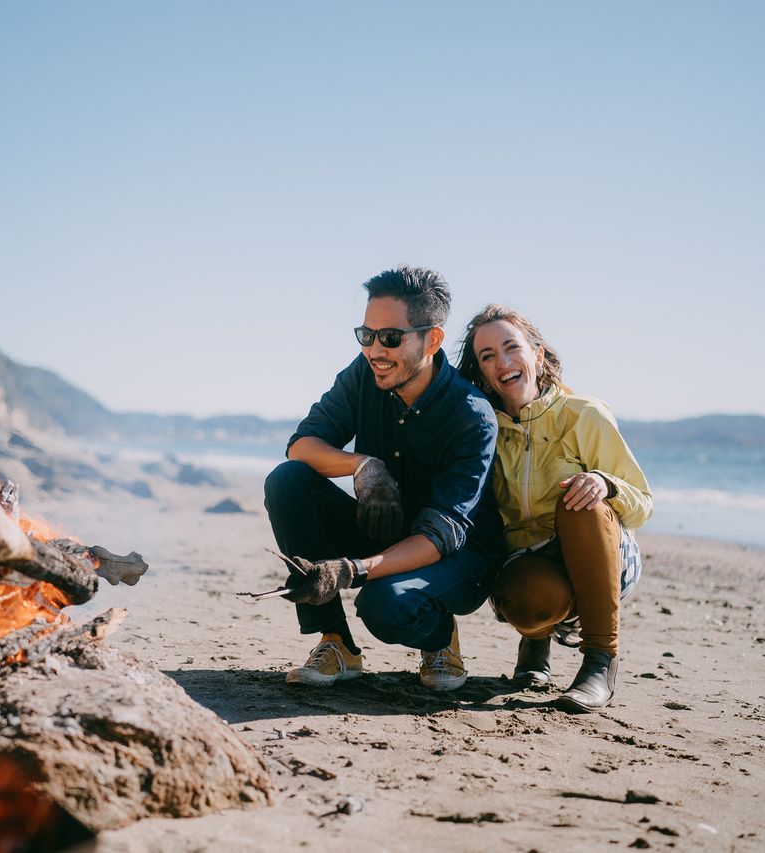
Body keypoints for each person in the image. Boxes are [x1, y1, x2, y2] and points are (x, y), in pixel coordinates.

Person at [264, 266, 502, 690]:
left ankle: (440, 635)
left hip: (456, 555)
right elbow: (301, 445)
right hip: (384, 528)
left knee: (384, 608)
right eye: (366, 335)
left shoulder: (472, 415)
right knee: (287, 482)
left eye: (390, 337)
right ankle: (336, 643)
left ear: (432, 340)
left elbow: (441, 533)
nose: (375, 349)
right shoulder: (363, 374)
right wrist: (363, 465)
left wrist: (351, 569)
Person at [456, 304, 652, 712]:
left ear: (537, 356)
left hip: (604, 555)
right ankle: (536, 639)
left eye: (512, 348)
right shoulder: (481, 428)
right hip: (530, 564)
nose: (503, 362)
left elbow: (641, 504)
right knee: (529, 599)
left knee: (582, 498)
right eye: (487, 356)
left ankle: (601, 660)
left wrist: (606, 483)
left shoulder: (584, 415)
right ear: (480, 372)